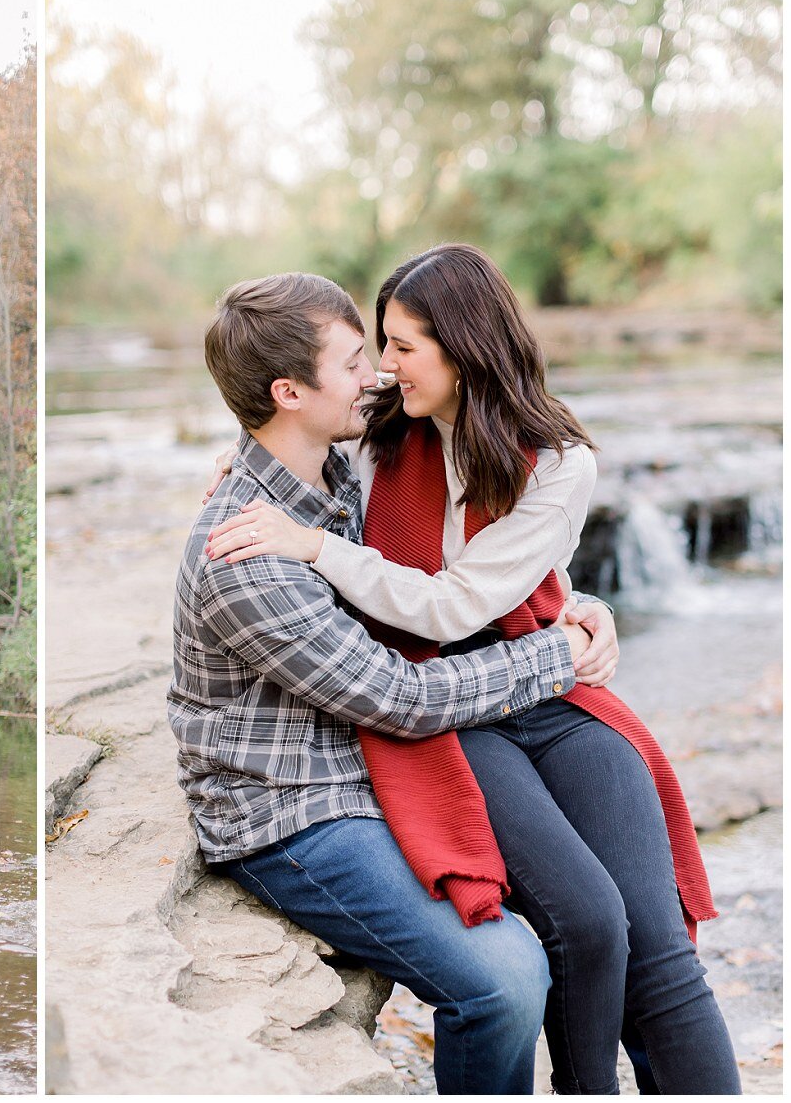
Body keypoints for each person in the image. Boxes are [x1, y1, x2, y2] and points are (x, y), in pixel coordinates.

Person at [202, 246, 738, 1094]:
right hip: (452, 708)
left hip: (546, 686)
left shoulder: (559, 463)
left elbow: (471, 596)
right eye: (377, 345)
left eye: (403, 345)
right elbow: (288, 402)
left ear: (464, 346)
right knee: (588, 919)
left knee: (658, 940)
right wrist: (249, 460)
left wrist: (583, 610)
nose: (383, 365)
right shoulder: (383, 429)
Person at [169, 270, 600, 1094]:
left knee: (584, 911)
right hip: (291, 808)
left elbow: (456, 562)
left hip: (363, 759)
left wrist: (578, 600)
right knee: (507, 977)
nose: (376, 377)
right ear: (290, 391)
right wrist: (558, 652)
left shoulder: (330, 475)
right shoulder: (247, 556)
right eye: (355, 359)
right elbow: (406, 698)